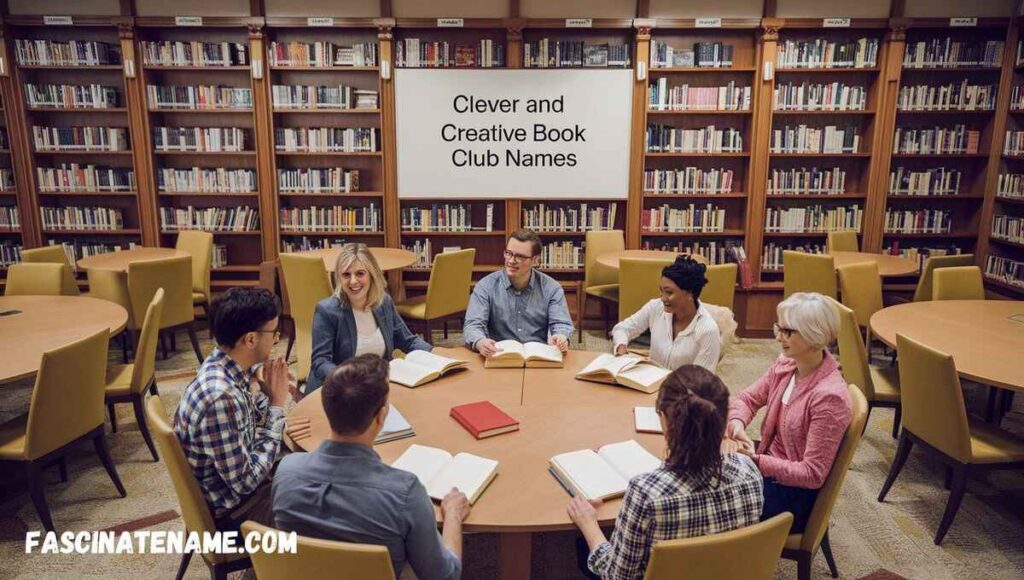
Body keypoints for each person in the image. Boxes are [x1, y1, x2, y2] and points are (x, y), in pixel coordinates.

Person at [273, 355, 470, 580]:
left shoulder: (286, 471)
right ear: (381, 416)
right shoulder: (405, 492)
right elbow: (445, 576)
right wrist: (453, 515)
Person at [567, 365, 764, 579]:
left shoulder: (646, 494)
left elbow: (616, 576)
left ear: (665, 423)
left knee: (576, 548)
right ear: (724, 421)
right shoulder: (749, 472)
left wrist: (589, 525)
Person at [724, 292, 851, 533]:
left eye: (788, 332)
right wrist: (738, 423)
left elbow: (812, 474)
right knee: (699, 465)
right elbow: (747, 398)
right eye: (778, 328)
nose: (778, 337)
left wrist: (757, 462)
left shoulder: (829, 397)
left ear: (815, 336)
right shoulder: (786, 365)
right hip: (768, 462)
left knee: (704, 495)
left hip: (793, 495)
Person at [174, 286, 290, 526]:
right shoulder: (221, 397)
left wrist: (265, 397)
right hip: (235, 515)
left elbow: (244, 424)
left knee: (305, 467)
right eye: (274, 333)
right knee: (322, 497)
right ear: (250, 339)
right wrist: (277, 406)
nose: (277, 339)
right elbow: (246, 481)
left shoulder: (221, 363)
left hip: (234, 490)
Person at [308, 243, 431, 392]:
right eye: (346, 275)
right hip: (338, 392)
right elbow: (320, 362)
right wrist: (350, 379)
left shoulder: (383, 302)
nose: (353, 281)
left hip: (375, 389)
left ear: (372, 275)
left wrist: (435, 353)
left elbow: (408, 340)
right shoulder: (327, 311)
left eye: (360, 273)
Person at [463, 228, 574, 357]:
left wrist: (560, 336)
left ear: (535, 260)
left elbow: (561, 323)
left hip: (538, 356)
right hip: (498, 355)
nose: (511, 261)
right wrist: (480, 342)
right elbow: (473, 325)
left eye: (520, 256)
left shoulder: (552, 288)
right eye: (508, 253)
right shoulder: (485, 286)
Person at [610, 254, 721, 372]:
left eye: (669, 292)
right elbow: (622, 328)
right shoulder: (655, 307)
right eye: (661, 291)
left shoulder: (708, 330)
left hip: (681, 390)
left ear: (690, 293)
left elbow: (700, 381)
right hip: (648, 383)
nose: (663, 298)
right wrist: (621, 349)